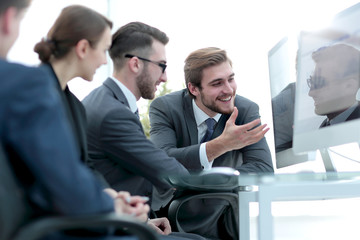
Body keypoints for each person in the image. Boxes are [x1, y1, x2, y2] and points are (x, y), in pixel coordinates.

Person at [1, 2, 201, 240]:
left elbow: (82, 167)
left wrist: (115, 200)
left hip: (76, 215)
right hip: (60, 224)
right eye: (103, 50)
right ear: (83, 48)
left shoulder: (74, 104)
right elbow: (62, 179)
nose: (106, 61)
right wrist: (114, 210)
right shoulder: (33, 89)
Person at [82, 22, 207, 240]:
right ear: (136, 64)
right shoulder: (113, 113)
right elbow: (171, 174)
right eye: (162, 65)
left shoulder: (108, 101)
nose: (165, 77)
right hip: (112, 231)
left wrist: (145, 221)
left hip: (125, 221)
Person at [149, 47, 274, 239]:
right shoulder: (165, 108)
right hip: (169, 214)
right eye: (217, 83)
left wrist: (216, 180)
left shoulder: (246, 109)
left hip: (221, 215)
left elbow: (263, 167)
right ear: (193, 89)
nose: (229, 89)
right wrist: (220, 145)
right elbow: (162, 161)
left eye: (230, 79)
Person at [307, 43, 360, 127]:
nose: (311, 93)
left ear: (349, 86)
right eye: (312, 82)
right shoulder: (327, 124)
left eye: (319, 83)